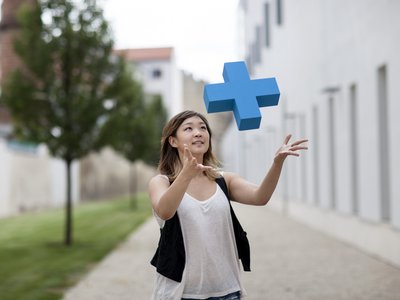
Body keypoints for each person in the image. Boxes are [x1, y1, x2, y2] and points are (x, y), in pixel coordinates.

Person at [148, 110, 308, 300]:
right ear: (173, 141)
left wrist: (277, 163)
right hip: (181, 293)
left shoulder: (223, 180)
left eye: (203, 128)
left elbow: (260, 197)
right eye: (188, 128)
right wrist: (186, 174)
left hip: (227, 291)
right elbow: (165, 211)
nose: (198, 132)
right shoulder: (161, 182)